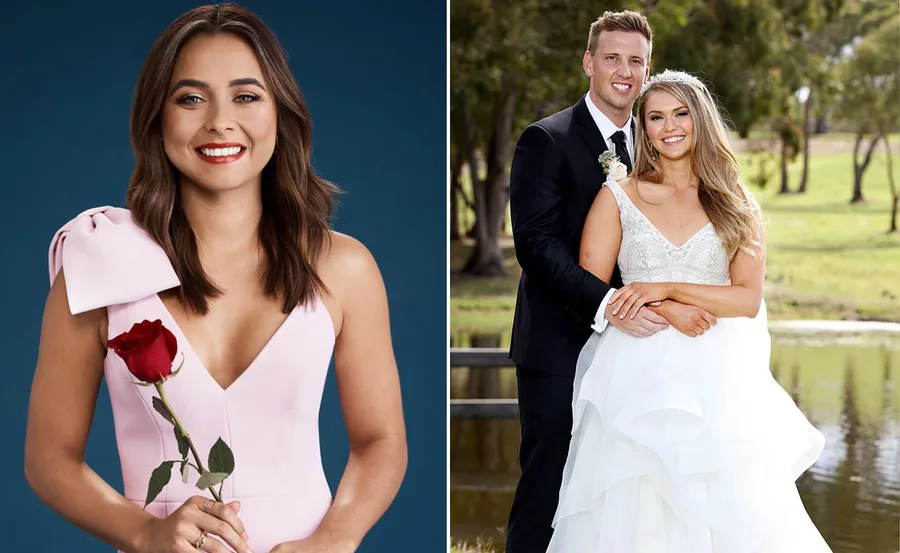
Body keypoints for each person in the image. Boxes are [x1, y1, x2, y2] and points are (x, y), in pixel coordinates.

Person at [24, 5, 407, 553]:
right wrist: (144, 532)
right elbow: (49, 457)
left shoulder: (344, 268)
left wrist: (335, 539)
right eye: (191, 98)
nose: (220, 122)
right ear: (157, 118)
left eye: (246, 96)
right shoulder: (98, 262)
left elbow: (380, 441)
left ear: (280, 113)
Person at [546, 69, 833, 552]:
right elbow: (589, 288)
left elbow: (746, 299)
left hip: (717, 378)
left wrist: (669, 288)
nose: (669, 126)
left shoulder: (736, 203)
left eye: (680, 114)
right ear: (643, 128)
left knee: (727, 504)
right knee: (635, 500)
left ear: (700, 119)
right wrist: (668, 308)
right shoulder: (618, 196)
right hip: (635, 369)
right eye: (656, 117)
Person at [506, 11, 716, 552]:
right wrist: (613, 306)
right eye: (612, 58)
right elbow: (536, 245)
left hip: (644, 354)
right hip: (559, 345)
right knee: (549, 487)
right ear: (589, 62)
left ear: (648, 68)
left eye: (636, 61)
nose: (624, 71)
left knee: (621, 493)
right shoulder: (546, 139)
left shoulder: (659, 144)